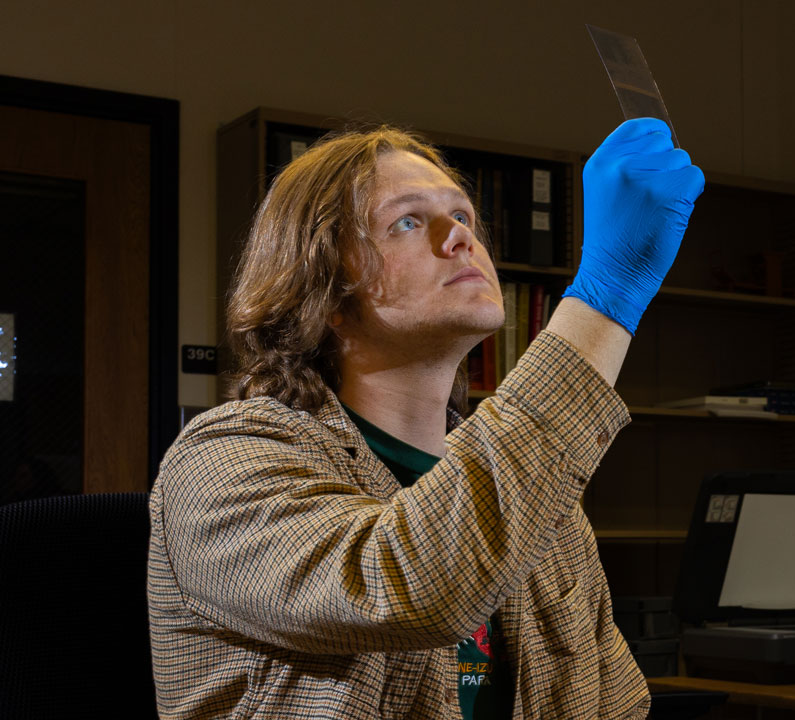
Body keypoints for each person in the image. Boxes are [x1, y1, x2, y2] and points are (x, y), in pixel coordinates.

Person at [147, 117, 702, 719]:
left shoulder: (545, 497)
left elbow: (614, 702)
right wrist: (607, 292)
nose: (459, 238)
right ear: (324, 292)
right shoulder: (223, 458)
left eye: (462, 216)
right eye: (408, 222)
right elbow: (405, 587)